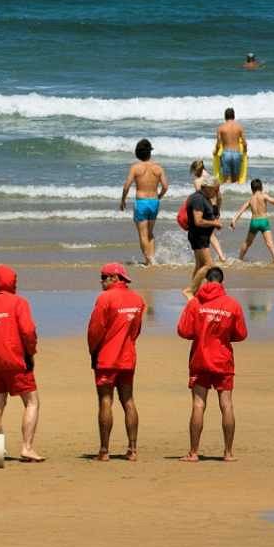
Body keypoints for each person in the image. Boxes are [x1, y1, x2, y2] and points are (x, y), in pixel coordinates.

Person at [0, 264, 43, 462]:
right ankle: (27, 447)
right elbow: (28, 331)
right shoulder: (19, 302)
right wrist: (30, 353)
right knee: (32, 402)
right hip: (17, 360)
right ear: (12, 282)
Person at [176, 267, 248, 462]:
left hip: (200, 359)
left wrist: (200, 332)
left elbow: (183, 330)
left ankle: (193, 452)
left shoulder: (195, 303)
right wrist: (223, 335)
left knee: (199, 404)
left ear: (207, 282)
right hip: (223, 360)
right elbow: (241, 334)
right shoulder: (232, 304)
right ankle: (228, 453)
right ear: (222, 283)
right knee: (226, 405)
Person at [87, 262, 145, 462]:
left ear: (114, 278)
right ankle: (133, 449)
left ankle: (104, 450)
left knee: (105, 400)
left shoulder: (105, 298)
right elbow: (136, 330)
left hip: (106, 358)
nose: (102, 282)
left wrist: (93, 352)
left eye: (104, 278)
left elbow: (95, 331)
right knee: (128, 400)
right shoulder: (138, 300)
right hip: (128, 357)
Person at [118, 139, 168, 266]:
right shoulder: (158, 168)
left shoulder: (135, 168)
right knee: (150, 233)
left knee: (143, 234)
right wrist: (159, 196)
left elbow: (126, 186)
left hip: (141, 202)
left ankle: (148, 260)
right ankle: (152, 259)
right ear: (150, 153)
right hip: (154, 202)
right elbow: (166, 186)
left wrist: (123, 200)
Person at [184, 174, 223, 297]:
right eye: (215, 189)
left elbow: (215, 213)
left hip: (202, 237)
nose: (216, 191)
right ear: (207, 187)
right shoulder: (198, 199)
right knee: (208, 266)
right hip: (198, 236)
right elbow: (198, 221)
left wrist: (218, 198)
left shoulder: (205, 198)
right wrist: (214, 223)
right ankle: (189, 290)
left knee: (200, 265)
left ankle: (194, 292)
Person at [231, 178, 274, 263]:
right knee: (270, 243)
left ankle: (240, 258)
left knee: (247, 243)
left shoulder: (250, 199)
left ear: (252, 189)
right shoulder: (263, 195)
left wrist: (233, 221)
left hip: (254, 222)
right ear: (261, 187)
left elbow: (241, 210)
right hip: (263, 221)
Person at [188, 160, 227, 262]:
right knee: (210, 233)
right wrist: (218, 210)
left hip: (205, 208)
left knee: (208, 234)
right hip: (214, 207)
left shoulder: (198, 181)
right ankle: (220, 255)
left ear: (195, 170)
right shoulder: (212, 178)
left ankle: (211, 257)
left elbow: (200, 198)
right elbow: (219, 197)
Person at [215, 108, 247, 182]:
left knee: (226, 180)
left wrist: (216, 153)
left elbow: (218, 145)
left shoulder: (220, 128)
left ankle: (228, 193)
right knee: (236, 180)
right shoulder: (239, 127)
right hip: (236, 153)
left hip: (226, 154)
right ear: (234, 116)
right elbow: (245, 143)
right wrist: (244, 152)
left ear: (225, 116)